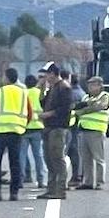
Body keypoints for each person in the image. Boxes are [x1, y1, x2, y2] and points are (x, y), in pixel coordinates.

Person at [0, 68, 32, 202]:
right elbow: (29, 112)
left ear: (6, 78)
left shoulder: (0, 92)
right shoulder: (23, 93)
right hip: (16, 131)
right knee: (15, 162)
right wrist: (22, 124)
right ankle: (14, 192)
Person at [37, 65, 75, 200]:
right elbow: (43, 103)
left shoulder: (64, 87)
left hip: (58, 127)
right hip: (49, 127)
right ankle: (51, 188)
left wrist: (49, 115)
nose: (45, 78)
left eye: (46, 75)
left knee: (57, 158)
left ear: (53, 74)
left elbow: (66, 108)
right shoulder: (52, 87)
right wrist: (41, 88)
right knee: (48, 159)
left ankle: (60, 189)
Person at [74, 77, 109, 190]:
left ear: (100, 86)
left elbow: (99, 106)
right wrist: (86, 107)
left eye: (93, 85)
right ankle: (88, 181)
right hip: (83, 129)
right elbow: (77, 110)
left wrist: (86, 108)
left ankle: (100, 182)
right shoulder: (86, 97)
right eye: (89, 85)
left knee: (98, 158)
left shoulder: (105, 97)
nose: (90, 87)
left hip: (96, 130)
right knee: (86, 158)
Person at [22, 73, 47, 189]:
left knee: (21, 155)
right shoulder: (39, 93)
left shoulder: (23, 94)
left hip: (24, 128)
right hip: (38, 127)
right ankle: (41, 179)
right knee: (38, 155)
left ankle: (20, 179)